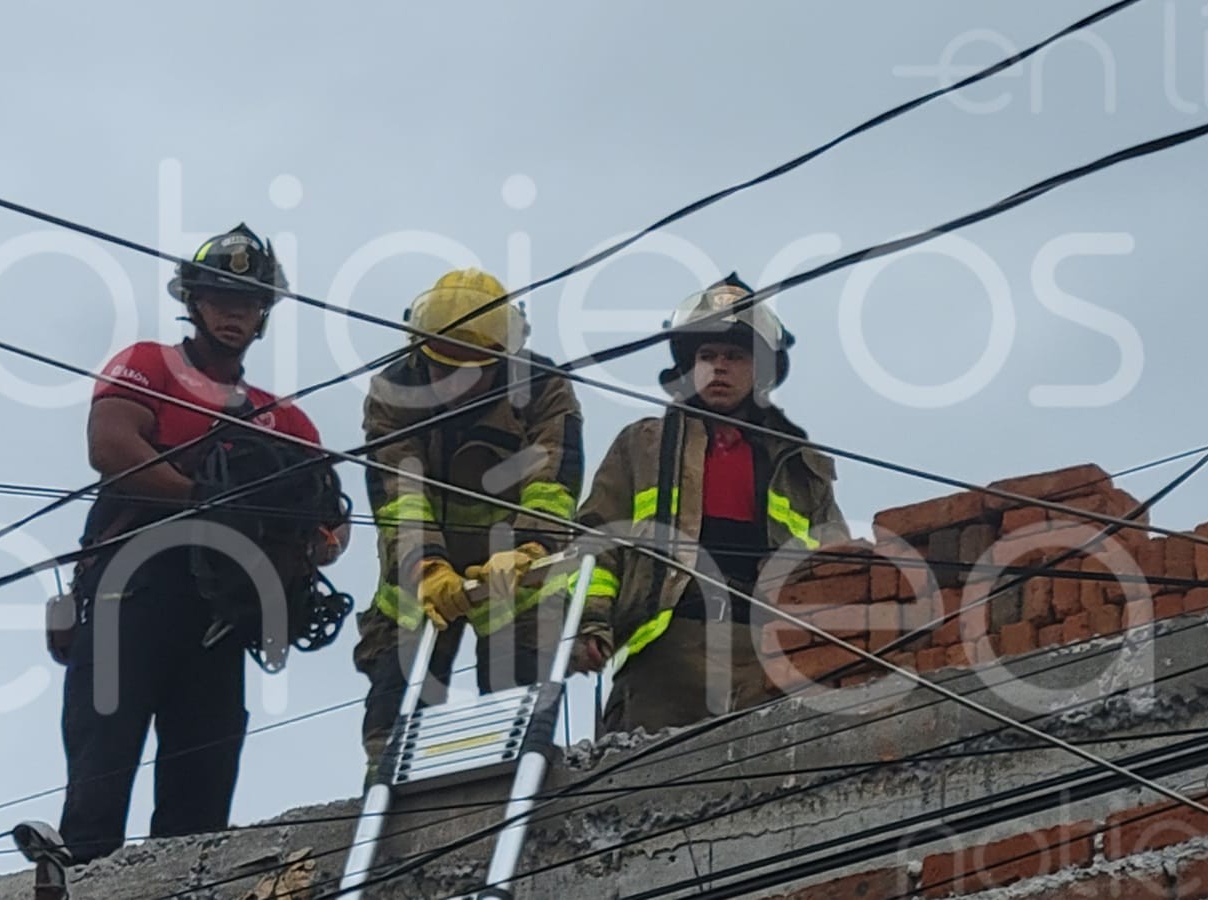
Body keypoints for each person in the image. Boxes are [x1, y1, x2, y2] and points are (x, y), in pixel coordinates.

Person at [57, 223, 340, 863]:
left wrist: (290, 540)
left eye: (248, 303)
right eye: (220, 298)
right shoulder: (149, 365)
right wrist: (205, 501)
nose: (234, 313)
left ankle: (183, 878)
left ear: (264, 313)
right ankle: (81, 872)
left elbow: (329, 523)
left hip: (221, 612)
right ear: (195, 301)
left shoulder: (286, 419)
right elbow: (112, 446)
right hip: (135, 587)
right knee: (105, 748)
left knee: (202, 776)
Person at [569, 272, 849, 734]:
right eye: (707, 355)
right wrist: (590, 624)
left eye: (734, 356)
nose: (718, 367)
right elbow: (597, 544)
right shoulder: (644, 446)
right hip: (665, 657)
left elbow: (835, 566)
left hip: (766, 658)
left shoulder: (802, 467)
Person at [354, 268, 584, 770]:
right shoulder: (394, 392)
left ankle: (519, 791)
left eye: (470, 369)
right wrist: (427, 569)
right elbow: (400, 498)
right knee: (393, 725)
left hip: (515, 564)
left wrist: (533, 552)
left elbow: (551, 482)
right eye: (441, 366)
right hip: (422, 567)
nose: (454, 383)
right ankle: (390, 796)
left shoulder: (543, 389)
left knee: (518, 715)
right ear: (420, 351)